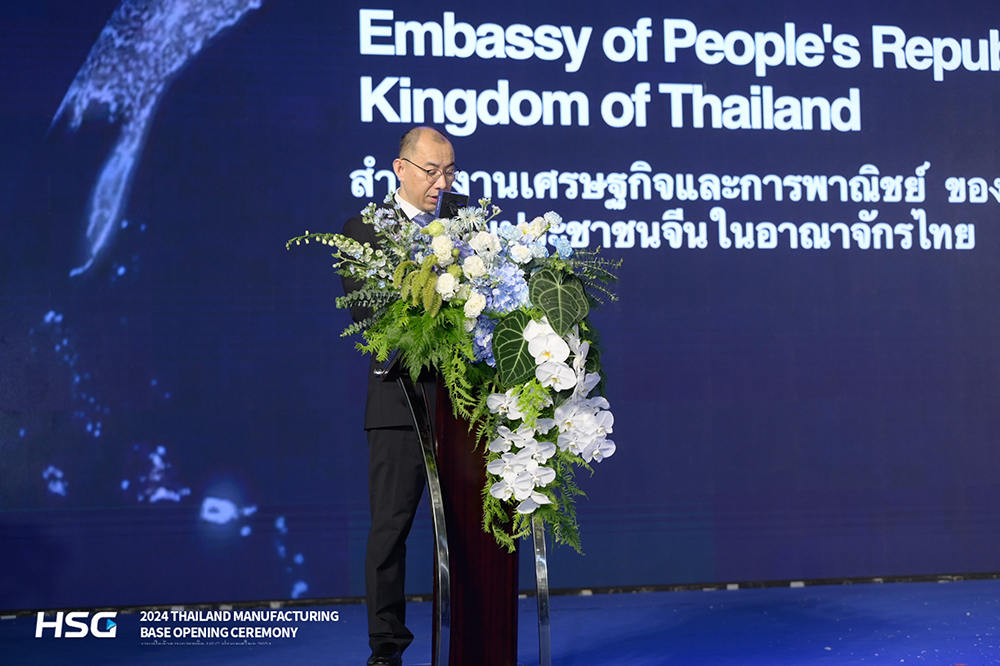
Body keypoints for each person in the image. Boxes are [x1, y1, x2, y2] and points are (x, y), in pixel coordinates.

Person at [340, 127, 458, 666]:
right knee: (391, 529)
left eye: (449, 171)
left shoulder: (464, 225)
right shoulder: (363, 230)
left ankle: (469, 639)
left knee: (469, 529)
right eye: (431, 171)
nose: (441, 183)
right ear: (401, 168)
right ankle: (387, 650)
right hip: (398, 402)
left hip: (461, 403)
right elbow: (372, 318)